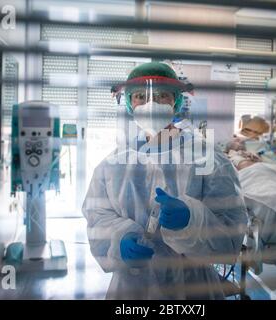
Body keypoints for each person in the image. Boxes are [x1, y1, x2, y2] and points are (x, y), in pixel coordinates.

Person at [83, 62, 248, 299]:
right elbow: (97, 216)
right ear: (130, 103)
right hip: (132, 290)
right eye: (141, 96)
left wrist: (193, 221)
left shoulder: (208, 158)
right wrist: (119, 240)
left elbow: (231, 231)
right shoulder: (112, 165)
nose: (152, 104)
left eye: (162, 96)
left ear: (176, 102)